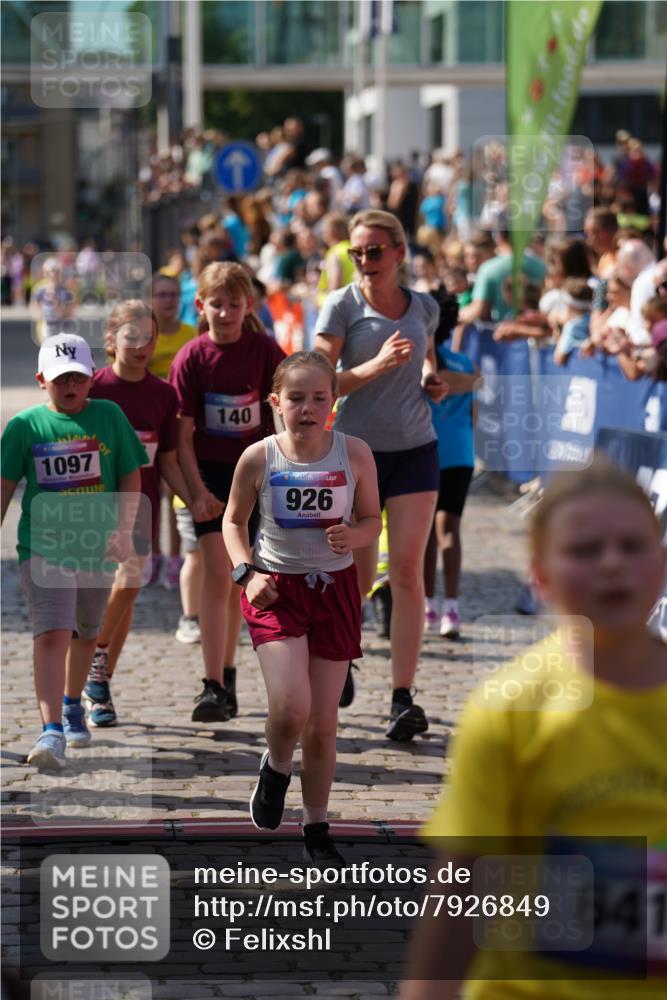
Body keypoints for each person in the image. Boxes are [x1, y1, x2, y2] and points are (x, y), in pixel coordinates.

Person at [402, 457, 667, 999]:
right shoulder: (510, 710)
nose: (612, 564)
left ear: (662, 564)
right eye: (585, 550)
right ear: (540, 575)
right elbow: (463, 889)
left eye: (632, 546)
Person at [222, 351, 381, 865]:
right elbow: (232, 522)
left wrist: (355, 534)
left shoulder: (354, 454)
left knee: (323, 723)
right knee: (291, 707)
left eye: (319, 398)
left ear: (334, 403)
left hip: (333, 591)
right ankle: (276, 767)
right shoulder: (259, 457)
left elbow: (374, 519)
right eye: (296, 398)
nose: (308, 409)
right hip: (275, 591)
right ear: (276, 403)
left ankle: (316, 825)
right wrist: (246, 574)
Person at [314, 209, 447, 740]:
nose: (365, 262)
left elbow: (427, 357)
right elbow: (321, 381)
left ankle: (402, 698)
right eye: (356, 253)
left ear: (398, 253)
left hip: (416, 449)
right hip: (358, 455)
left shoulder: (425, 306)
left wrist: (432, 378)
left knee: (408, 574)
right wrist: (376, 367)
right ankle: (342, 656)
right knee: (360, 576)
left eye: (374, 251)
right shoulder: (341, 305)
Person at [0, 334, 146, 769]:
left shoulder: (110, 416)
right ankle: (50, 730)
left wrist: (123, 530)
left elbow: (130, 474)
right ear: (41, 379)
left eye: (79, 377)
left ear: (91, 380)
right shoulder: (24, 427)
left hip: (95, 548)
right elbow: (4, 489)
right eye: (61, 378)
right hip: (42, 548)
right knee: (53, 632)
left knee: (85, 632)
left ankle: (70, 703)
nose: (70, 386)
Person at [170, 262, 285, 722]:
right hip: (211, 477)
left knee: (241, 575)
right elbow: (180, 435)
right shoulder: (192, 357)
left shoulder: (263, 349)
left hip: (256, 473)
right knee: (221, 574)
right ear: (201, 306)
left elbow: (283, 411)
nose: (225, 312)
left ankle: (228, 672)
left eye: (234, 305)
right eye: (216, 304)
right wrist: (195, 492)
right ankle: (213, 684)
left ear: (247, 306)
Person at [85, 301, 193, 726]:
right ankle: (97, 692)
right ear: (111, 341)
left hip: (141, 505)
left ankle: (96, 668)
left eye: (150, 337)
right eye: (132, 337)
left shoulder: (164, 395)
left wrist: (193, 499)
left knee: (129, 585)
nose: (142, 345)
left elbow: (167, 460)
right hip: (94, 507)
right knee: (108, 598)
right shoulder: (92, 388)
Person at [423, 333, 478, 638]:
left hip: (427, 451)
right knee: (450, 530)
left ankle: (429, 607)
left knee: (427, 533)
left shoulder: (424, 363)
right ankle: (452, 609)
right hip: (461, 452)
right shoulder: (466, 363)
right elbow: (475, 415)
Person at [147, 272, 198, 588]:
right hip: (149, 424)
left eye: (173, 295)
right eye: (161, 295)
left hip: (179, 423)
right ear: (150, 299)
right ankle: (152, 556)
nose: (168, 301)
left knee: (174, 493)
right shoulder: (145, 335)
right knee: (150, 493)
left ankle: (176, 559)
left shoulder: (191, 334)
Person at [553, 277, 593, 365]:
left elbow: (558, 359)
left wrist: (560, 332)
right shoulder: (593, 318)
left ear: (570, 305)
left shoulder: (572, 326)